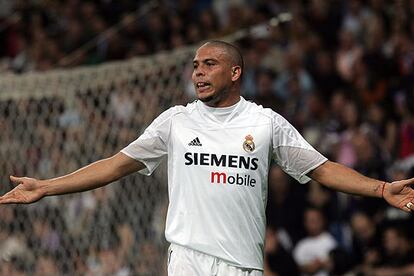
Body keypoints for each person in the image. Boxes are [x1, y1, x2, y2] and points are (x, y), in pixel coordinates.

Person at [1, 40, 414, 275]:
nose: (198, 72)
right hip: (187, 257)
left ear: (234, 73)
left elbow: (322, 169)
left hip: (243, 264)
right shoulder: (175, 122)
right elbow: (115, 164)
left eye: (210, 64)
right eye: (195, 65)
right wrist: (47, 186)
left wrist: (380, 189)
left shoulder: (265, 123)